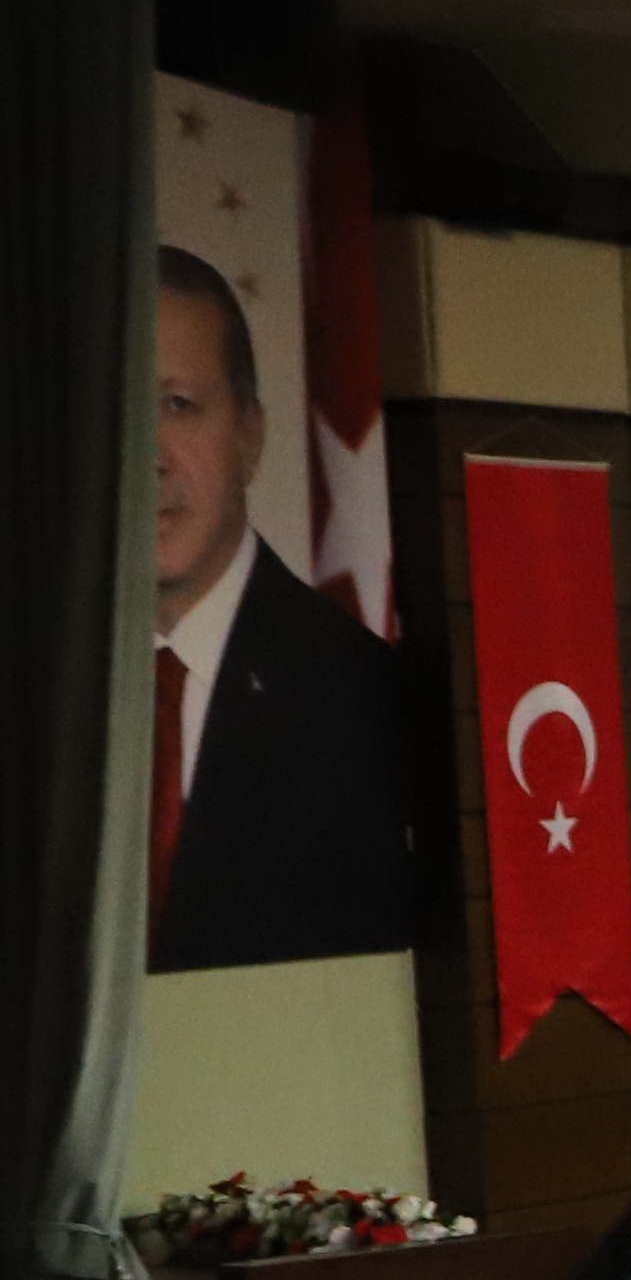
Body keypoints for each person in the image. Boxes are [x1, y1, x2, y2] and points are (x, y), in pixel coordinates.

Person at [144, 243, 421, 971]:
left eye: (179, 405)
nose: (151, 452)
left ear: (250, 437)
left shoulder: (361, 695)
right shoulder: (38, 691)